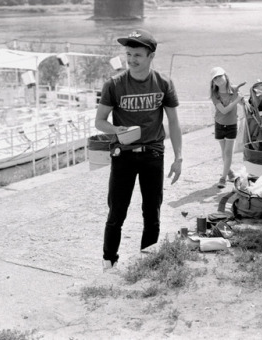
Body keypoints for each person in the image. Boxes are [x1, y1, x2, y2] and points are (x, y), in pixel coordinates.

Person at [95, 28, 183, 272]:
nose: (131, 60)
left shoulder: (163, 83)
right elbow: (100, 121)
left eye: (137, 55)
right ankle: (108, 262)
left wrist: (179, 158)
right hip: (123, 155)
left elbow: (173, 123)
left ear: (150, 56)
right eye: (128, 54)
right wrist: (117, 130)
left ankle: (148, 262)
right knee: (116, 213)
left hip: (153, 154)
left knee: (151, 212)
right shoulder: (114, 84)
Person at [209, 66, 246, 189]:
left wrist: (242, 99)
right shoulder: (215, 95)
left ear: (225, 76)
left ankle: (223, 178)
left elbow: (241, 102)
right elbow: (224, 111)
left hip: (231, 125)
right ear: (213, 82)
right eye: (215, 78)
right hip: (219, 124)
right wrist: (236, 101)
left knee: (228, 153)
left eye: (220, 76)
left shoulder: (234, 90)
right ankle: (230, 173)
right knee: (224, 153)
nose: (218, 79)